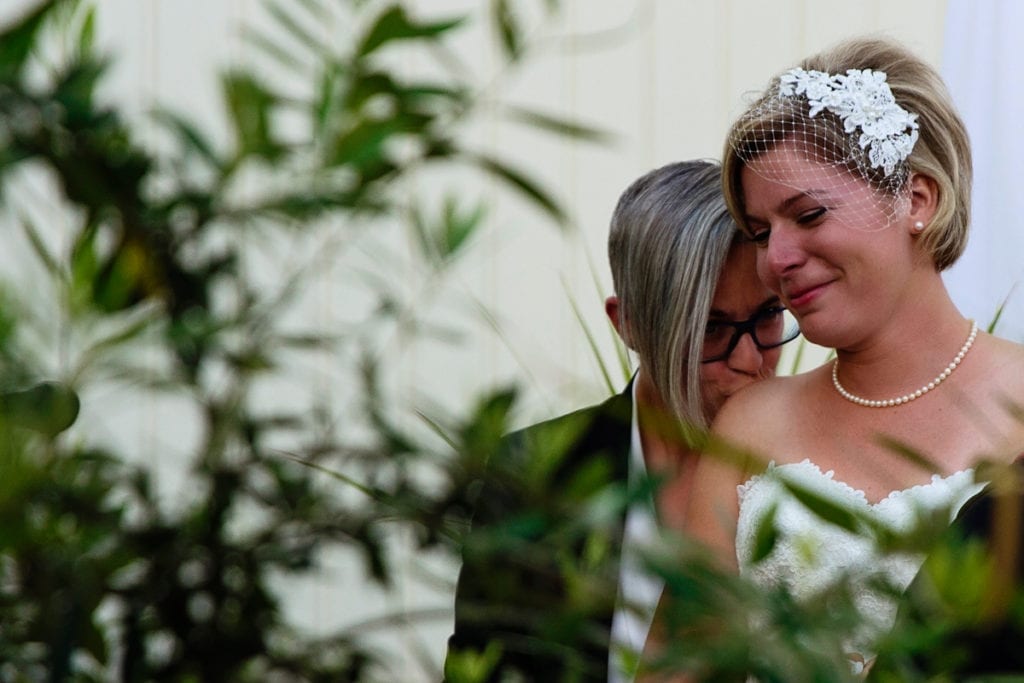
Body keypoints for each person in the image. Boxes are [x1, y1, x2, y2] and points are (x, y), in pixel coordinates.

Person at [672, 36, 1024, 674]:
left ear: (917, 199)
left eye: (807, 215)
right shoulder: (751, 424)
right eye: (759, 233)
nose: (775, 259)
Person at [444, 159, 798, 683]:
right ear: (627, 323)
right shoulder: (533, 471)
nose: (750, 359)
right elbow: (482, 668)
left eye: (768, 315)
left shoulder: (820, 468)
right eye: (710, 329)